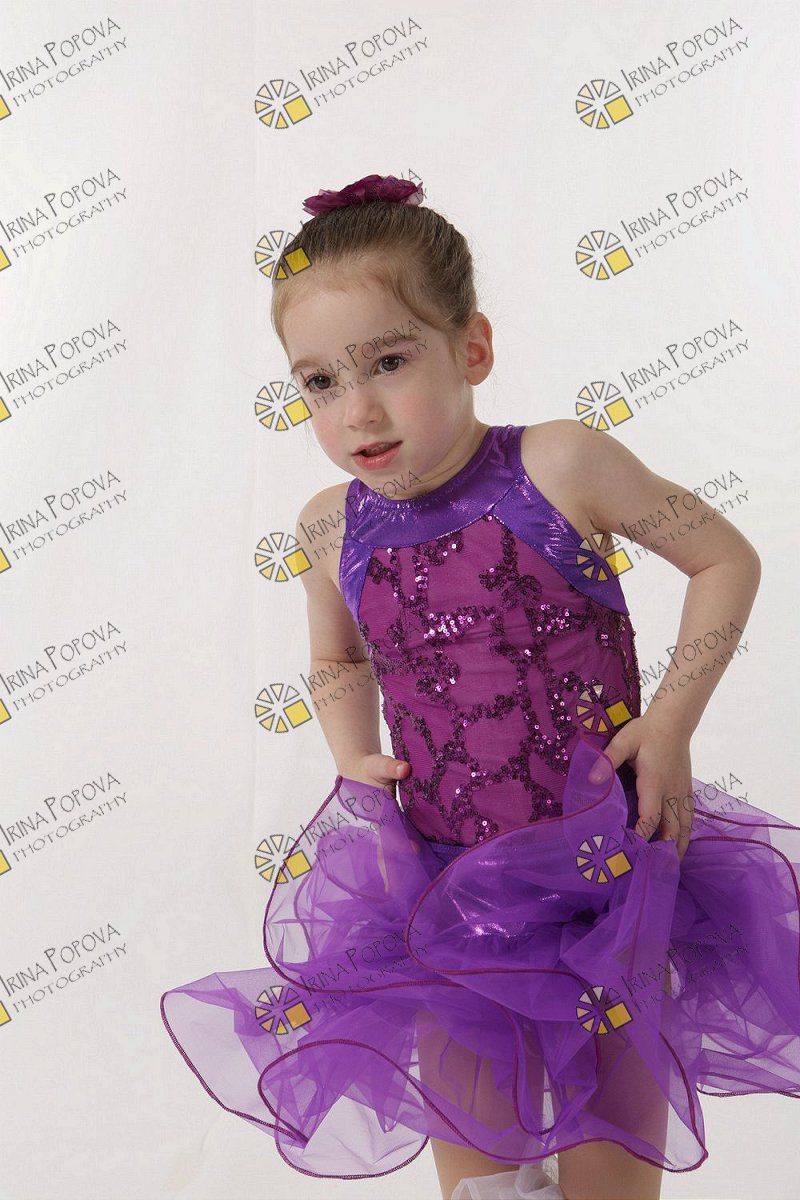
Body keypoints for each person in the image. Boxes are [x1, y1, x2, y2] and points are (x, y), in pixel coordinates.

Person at [160, 175, 800, 1200]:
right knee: (478, 1170)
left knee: (607, 1162)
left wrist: (670, 724)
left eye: (389, 361)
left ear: (471, 349)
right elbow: (339, 659)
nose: (357, 409)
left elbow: (725, 559)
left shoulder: (560, 464)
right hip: (439, 888)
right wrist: (350, 753)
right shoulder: (328, 524)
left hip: (605, 873)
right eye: (318, 381)